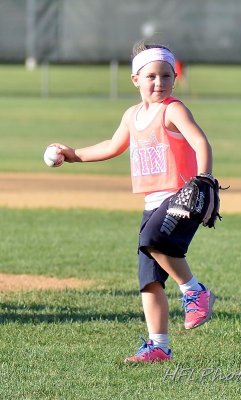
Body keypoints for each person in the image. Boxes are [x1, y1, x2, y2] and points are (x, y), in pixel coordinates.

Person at [50, 40, 216, 364]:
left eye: (166, 76)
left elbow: (200, 142)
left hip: (180, 197)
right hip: (152, 202)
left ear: (174, 78)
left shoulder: (173, 109)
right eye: (151, 76)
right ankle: (159, 347)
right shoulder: (132, 116)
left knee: (152, 239)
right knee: (149, 280)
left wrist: (205, 178)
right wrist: (74, 155)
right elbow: (113, 146)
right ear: (135, 80)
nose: (159, 83)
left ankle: (195, 290)